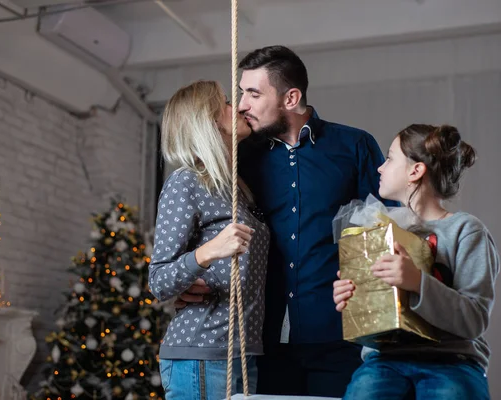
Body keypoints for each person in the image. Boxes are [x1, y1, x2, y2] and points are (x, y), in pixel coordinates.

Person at [236, 45, 395, 397]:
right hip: (264, 338)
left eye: (253, 93)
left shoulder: (355, 145)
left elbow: (387, 230)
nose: (243, 104)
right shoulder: (243, 157)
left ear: (291, 97)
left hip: (340, 334)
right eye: (241, 93)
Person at [333, 124, 500, 400]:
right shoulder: (378, 230)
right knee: (364, 393)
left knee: (453, 393)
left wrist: (418, 282)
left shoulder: (466, 231)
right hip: (385, 359)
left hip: (452, 360)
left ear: (415, 171)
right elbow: (376, 313)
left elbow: (474, 319)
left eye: (389, 158)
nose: (379, 168)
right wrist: (352, 298)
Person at [148, 80, 270, 400]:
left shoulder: (238, 191)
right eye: (228, 103)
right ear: (210, 120)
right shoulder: (186, 181)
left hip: (243, 352)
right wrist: (208, 252)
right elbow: (159, 280)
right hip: (202, 354)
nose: (239, 107)